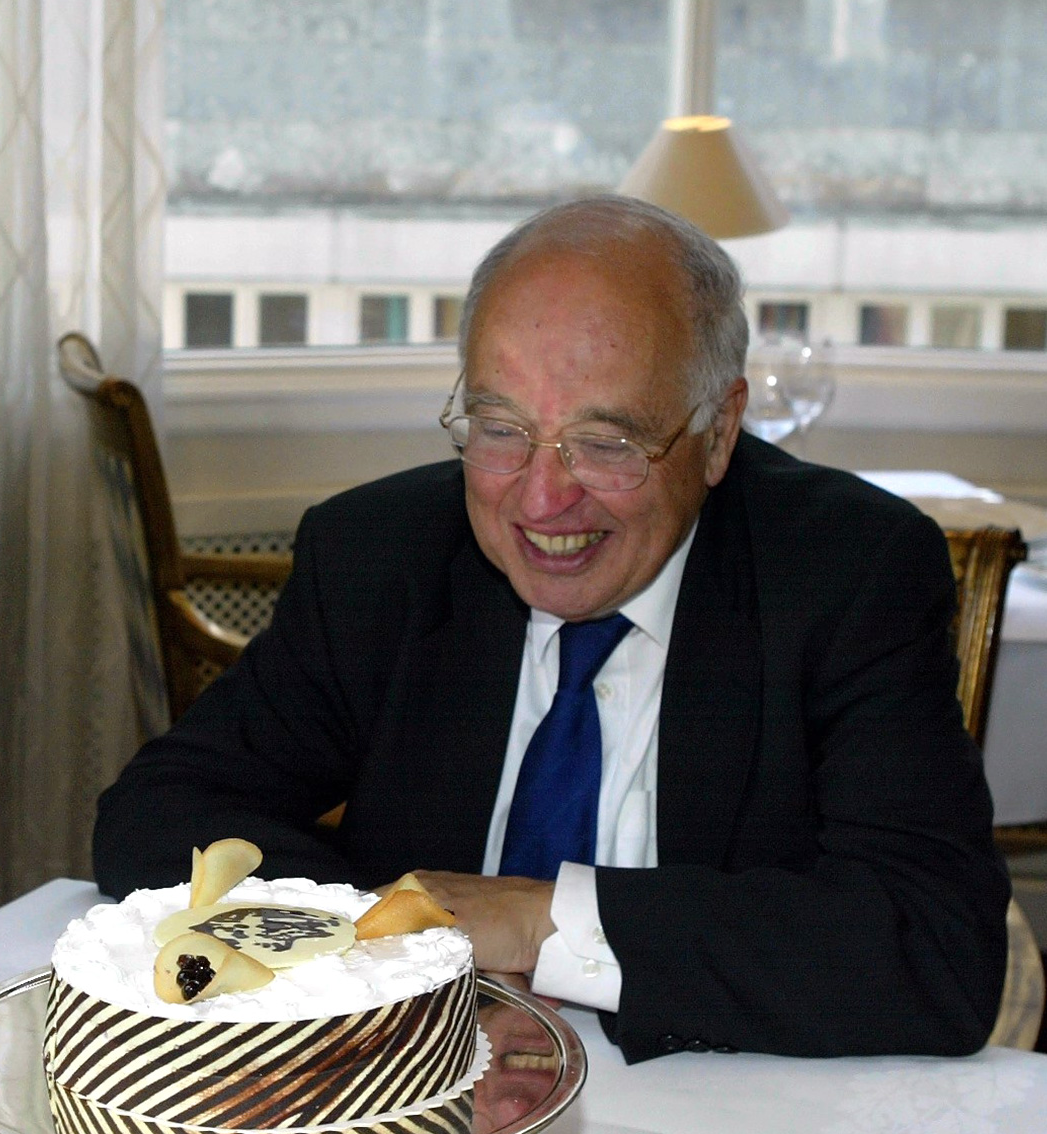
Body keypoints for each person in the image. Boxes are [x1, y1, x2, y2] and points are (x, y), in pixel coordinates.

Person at [94, 194, 1007, 1065]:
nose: (540, 499)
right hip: (426, 1084)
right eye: (500, 429)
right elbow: (158, 811)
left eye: (606, 443)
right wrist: (388, 936)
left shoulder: (848, 571)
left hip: (716, 1110)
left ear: (719, 430)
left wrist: (544, 922)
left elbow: (936, 945)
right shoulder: (381, 556)